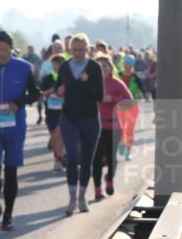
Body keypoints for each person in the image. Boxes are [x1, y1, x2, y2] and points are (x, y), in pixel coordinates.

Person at [0, 31, 40, 231]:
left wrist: (18, 102)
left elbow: (35, 93)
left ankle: (8, 214)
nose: (2, 54)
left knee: (11, 171)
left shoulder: (23, 67)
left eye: (5, 50)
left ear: (11, 49)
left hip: (15, 126)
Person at [55, 33, 104, 216]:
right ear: (70, 49)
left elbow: (99, 94)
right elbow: (58, 85)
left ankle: (82, 196)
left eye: (81, 50)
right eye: (74, 50)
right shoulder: (65, 67)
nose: (77, 53)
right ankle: (71, 199)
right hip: (69, 118)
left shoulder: (94, 68)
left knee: (86, 160)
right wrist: (58, 90)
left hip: (90, 119)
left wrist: (84, 83)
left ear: (87, 49)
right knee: (73, 158)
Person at [93, 54, 133, 200]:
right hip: (95, 125)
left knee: (112, 158)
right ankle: (97, 189)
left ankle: (110, 179)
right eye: (99, 66)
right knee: (96, 159)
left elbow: (129, 101)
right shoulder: (92, 83)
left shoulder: (117, 83)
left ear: (110, 67)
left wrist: (113, 99)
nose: (102, 68)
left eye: (104, 65)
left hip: (114, 125)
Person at [39, 53, 67, 172]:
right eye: (54, 64)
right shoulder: (48, 78)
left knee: (61, 134)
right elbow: (41, 93)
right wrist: (52, 91)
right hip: (50, 111)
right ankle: (58, 157)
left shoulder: (68, 77)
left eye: (58, 64)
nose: (55, 66)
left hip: (64, 111)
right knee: (54, 136)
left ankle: (61, 159)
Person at [117, 55, 145, 160]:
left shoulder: (136, 77)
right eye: (125, 63)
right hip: (120, 106)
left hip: (133, 106)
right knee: (120, 127)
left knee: (130, 129)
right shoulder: (118, 75)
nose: (127, 66)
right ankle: (121, 143)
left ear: (132, 65)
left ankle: (128, 151)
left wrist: (139, 96)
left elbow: (143, 92)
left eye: (129, 64)